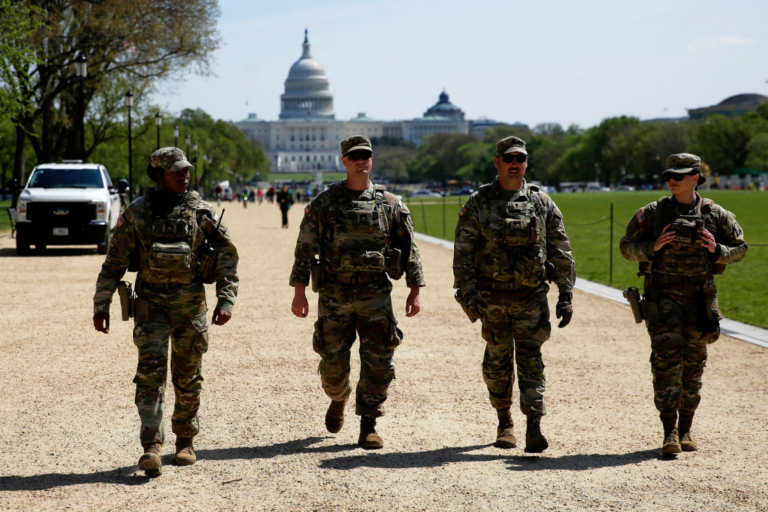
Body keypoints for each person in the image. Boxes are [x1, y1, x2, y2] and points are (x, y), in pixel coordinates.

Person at [92, 148, 239, 477]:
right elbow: (114, 261)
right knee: (150, 377)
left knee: (188, 377)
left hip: (190, 305)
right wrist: (101, 304)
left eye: (186, 170)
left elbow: (228, 257)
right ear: (158, 175)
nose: (184, 175)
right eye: (176, 171)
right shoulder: (137, 213)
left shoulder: (202, 211)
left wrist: (226, 300)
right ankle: (152, 446)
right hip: (151, 304)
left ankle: (185, 440)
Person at [289, 135, 425, 449]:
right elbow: (304, 248)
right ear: (344, 162)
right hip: (335, 294)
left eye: (366, 155)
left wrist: (414, 290)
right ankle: (338, 398)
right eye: (355, 157)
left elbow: (410, 249)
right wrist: (299, 292)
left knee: (379, 361)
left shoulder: (390, 203)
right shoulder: (326, 202)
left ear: (371, 159)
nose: (361, 161)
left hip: (375, 295)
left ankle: (368, 424)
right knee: (333, 364)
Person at [453, 136, 575, 453]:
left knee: (531, 360)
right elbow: (463, 253)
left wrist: (566, 293)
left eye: (520, 158)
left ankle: (534, 424)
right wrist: (467, 293)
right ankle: (504, 421)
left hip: (531, 297)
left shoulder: (542, 203)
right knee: (496, 363)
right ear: (497, 162)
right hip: (492, 299)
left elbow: (561, 250)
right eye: (508, 158)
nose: (514, 163)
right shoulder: (479, 202)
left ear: (526, 163)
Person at [620, 153, 747, 456]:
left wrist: (718, 250)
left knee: (694, 365)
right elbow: (626, 248)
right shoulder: (651, 214)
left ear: (696, 177)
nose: (672, 181)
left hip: (699, 298)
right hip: (662, 298)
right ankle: (669, 433)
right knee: (665, 364)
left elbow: (741, 247)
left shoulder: (716, 215)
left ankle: (687, 428)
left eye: (679, 175)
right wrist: (654, 246)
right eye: (668, 176)